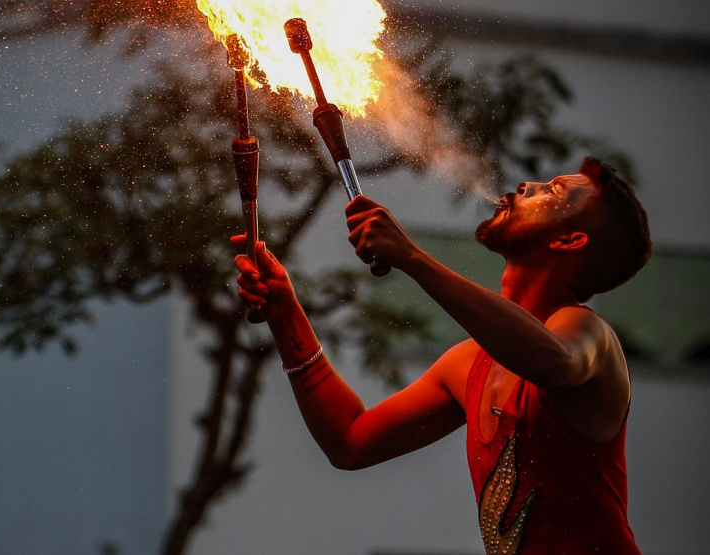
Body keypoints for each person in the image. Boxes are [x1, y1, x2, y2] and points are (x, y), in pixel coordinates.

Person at [232, 157, 650, 554]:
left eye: (554, 191)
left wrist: (412, 257)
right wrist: (286, 315)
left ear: (569, 240)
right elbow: (350, 441)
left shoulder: (590, 335)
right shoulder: (468, 364)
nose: (528, 185)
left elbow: (552, 361)